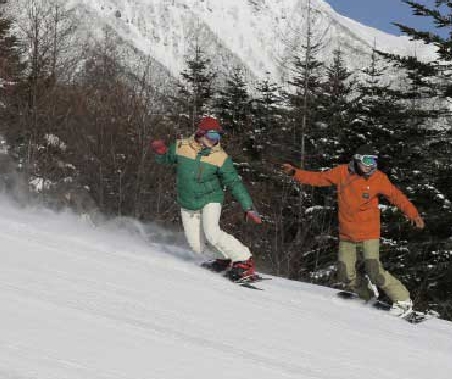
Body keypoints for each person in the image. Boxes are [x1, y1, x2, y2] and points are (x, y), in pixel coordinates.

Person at [282, 145, 425, 316]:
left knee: (374, 270)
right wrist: (295, 173)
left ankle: (403, 300)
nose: (370, 165)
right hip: (347, 234)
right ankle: (367, 295)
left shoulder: (378, 178)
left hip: (368, 234)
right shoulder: (342, 173)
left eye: (374, 161)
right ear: (357, 159)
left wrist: (413, 214)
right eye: (366, 161)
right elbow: (318, 178)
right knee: (345, 273)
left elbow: (396, 196)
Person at [151, 116, 262, 281]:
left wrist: (248, 207)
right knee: (198, 247)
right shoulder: (181, 146)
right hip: (188, 202)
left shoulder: (220, 157)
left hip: (211, 198)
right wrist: (160, 153)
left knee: (212, 232)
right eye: (211, 136)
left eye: (218, 137)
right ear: (200, 134)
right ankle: (224, 259)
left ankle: (244, 260)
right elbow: (167, 159)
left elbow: (234, 183)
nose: (215, 140)